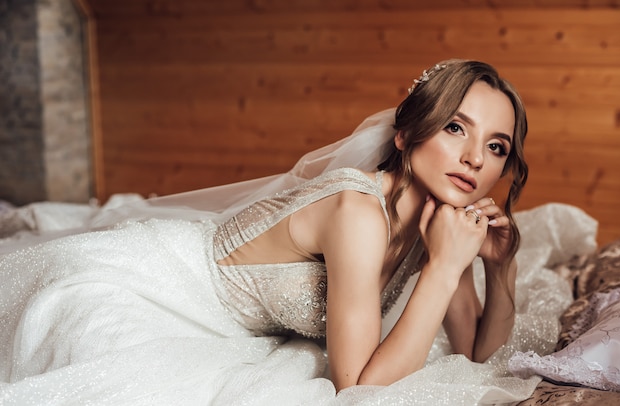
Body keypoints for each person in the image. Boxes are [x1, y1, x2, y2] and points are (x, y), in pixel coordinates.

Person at [1, 59, 561, 406]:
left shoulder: (442, 221)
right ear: (406, 135)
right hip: (146, 288)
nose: (473, 158)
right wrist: (442, 268)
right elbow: (360, 390)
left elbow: (477, 352)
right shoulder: (358, 212)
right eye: (455, 126)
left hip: (220, 320)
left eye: (495, 146)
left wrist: (497, 265)